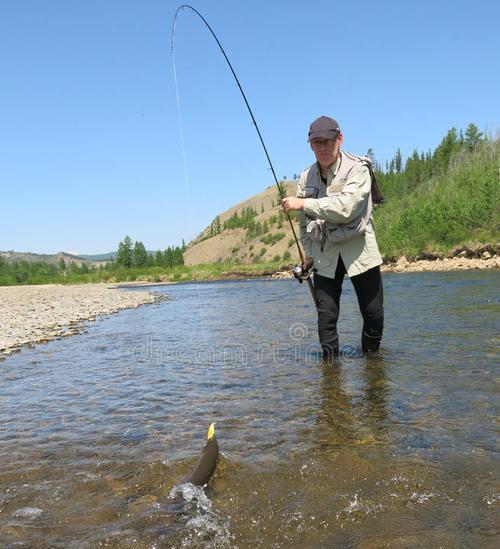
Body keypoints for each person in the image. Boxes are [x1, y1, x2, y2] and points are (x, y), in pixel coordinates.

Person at [282, 116, 384, 359]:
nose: (323, 147)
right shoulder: (306, 177)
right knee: (326, 317)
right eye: (317, 142)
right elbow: (305, 224)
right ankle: (330, 375)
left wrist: (304, 202)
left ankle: (372, 365)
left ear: (340, 139)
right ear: (310, 145)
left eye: (328, 140)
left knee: (374, 315)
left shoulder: (359, 168)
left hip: (359, 249)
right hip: (325, 254)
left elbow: (346, 207)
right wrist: (308, 255)